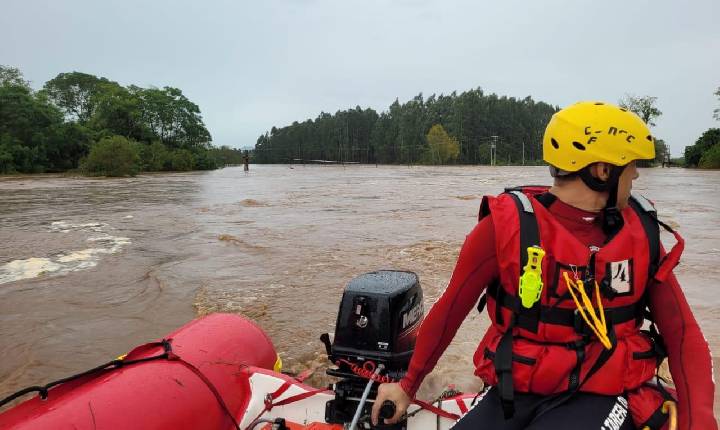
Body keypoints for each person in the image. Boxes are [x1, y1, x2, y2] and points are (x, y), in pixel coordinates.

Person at [371, 102, 716, 429]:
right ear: (602, 171)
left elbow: (683, 335)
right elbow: (449, 312)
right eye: (631, 166)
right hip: (517, 389)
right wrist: (408, 384)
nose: (636, 176)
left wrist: (699, 421)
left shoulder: (641, 234)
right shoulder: (502, 230)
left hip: (601, 392)